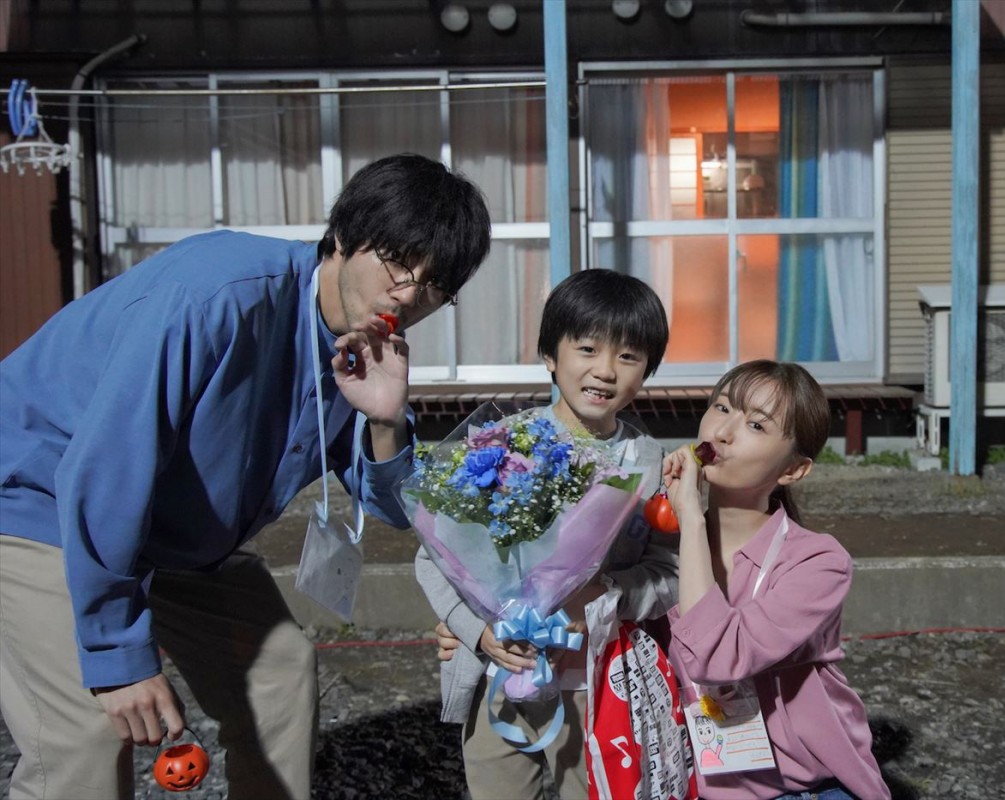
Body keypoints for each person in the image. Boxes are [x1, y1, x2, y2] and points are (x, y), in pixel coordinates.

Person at [0, 153, 491, 800]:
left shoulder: (364, 354)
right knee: (87, 730)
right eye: (398, 262)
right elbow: (107, 468)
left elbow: (397, 510)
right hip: (37, 503)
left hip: (170, 539)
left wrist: (385, 420)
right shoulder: (215, 294)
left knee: (279, 674)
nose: (408, 294)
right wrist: (116, 655)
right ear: (345, 235)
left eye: (435, 285)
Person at [418, 268, 677, 800]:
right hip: (498, 672)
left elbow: (670, 573)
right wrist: (476, 630)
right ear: (549, 354)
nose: (605, 370)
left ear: (647, 370)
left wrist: (605, 595)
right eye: (587, 348)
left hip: (599, 685)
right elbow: (435, 558)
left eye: (628, 356)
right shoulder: (497, 445)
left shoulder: (651, 465)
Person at [660, 360, 890, 800]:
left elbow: (716, 657)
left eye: (756, 425)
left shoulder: (817, 564)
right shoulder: (661, 548)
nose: (723, 432)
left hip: (806, 790)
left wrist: (691, 518)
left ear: (793, 470)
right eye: (722, 407)